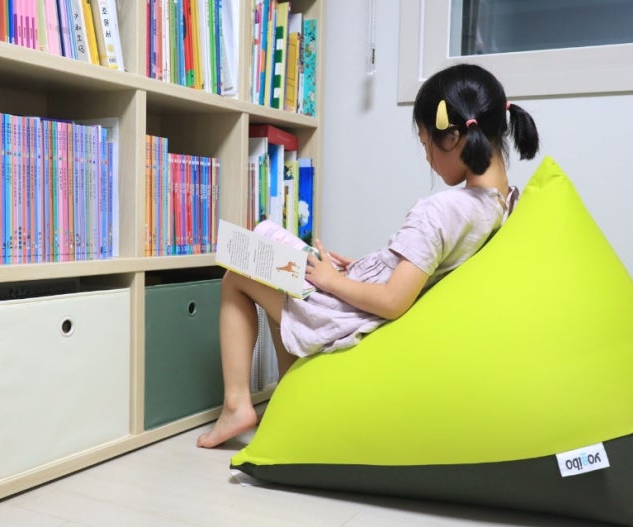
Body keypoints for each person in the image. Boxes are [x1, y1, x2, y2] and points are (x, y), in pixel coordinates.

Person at [196, 63, 540, 448]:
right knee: (278, 265)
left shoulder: (442, 210)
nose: (428, 157)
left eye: (425, 143)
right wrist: (359, 267)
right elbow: (420, 268)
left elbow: (393, 301)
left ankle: (236, 405)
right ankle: (288, 400)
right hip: (358, 291)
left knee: (239, 274)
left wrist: (333, 281)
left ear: (453, 137)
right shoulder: (503, 203)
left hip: (353, 315)